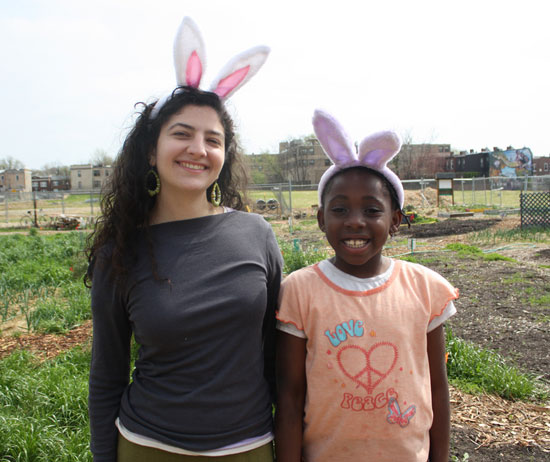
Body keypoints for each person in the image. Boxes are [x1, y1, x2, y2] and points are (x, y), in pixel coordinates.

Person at [86, 17, 281, 462]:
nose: (198, 148)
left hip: (249, 447)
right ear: (151, 151)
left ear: (224, 155)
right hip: (147, 447)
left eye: (213, 139)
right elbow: (107, 374)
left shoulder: (256, 234)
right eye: (181, 134)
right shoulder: (120, 250)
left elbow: (276, 353)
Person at [275, 109, 458, 462]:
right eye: (340, 209)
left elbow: (436, 386)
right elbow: (290, 396)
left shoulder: (424, 288)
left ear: (395, 220)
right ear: (320, 218)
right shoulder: (299, 291)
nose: (355, 222)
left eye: (372, 210)